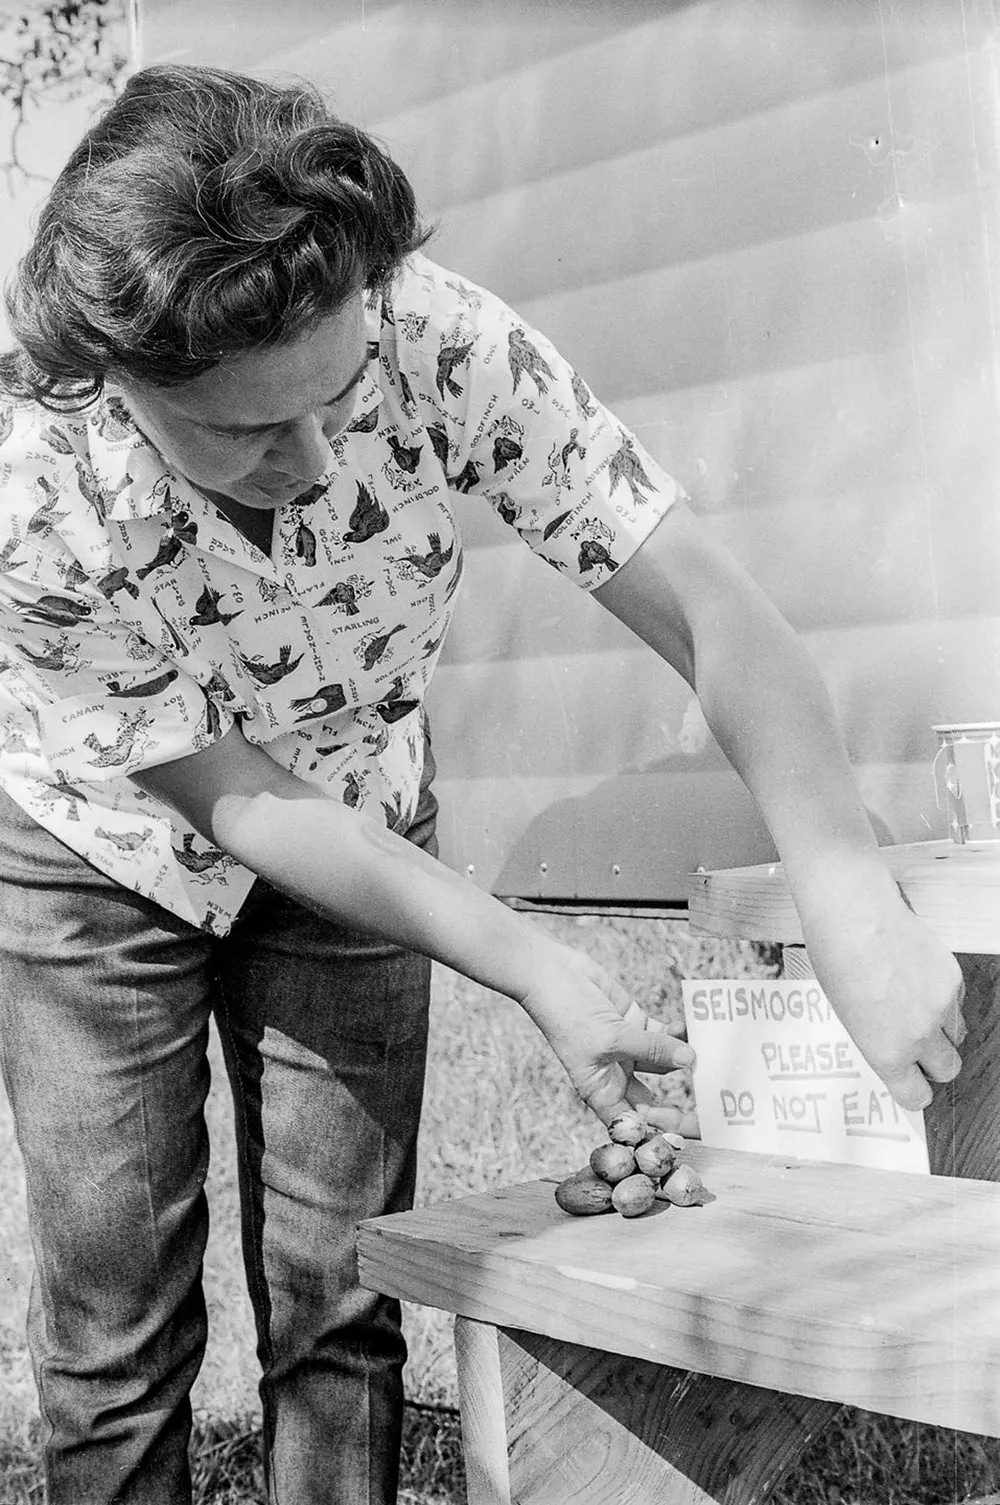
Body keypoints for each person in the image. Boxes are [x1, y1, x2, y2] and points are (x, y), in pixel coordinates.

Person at [0, 62, 965, 1505]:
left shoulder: (443, 344)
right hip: (99, 862)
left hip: (368, 812)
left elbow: (711, 608)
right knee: (116, 1328)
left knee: (343, 1287)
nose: (322, 461)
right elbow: (242, 798)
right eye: (255, 432)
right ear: (124, 385)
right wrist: (539, 966)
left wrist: (844, 889)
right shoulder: (36, 482)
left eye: (339, 391)